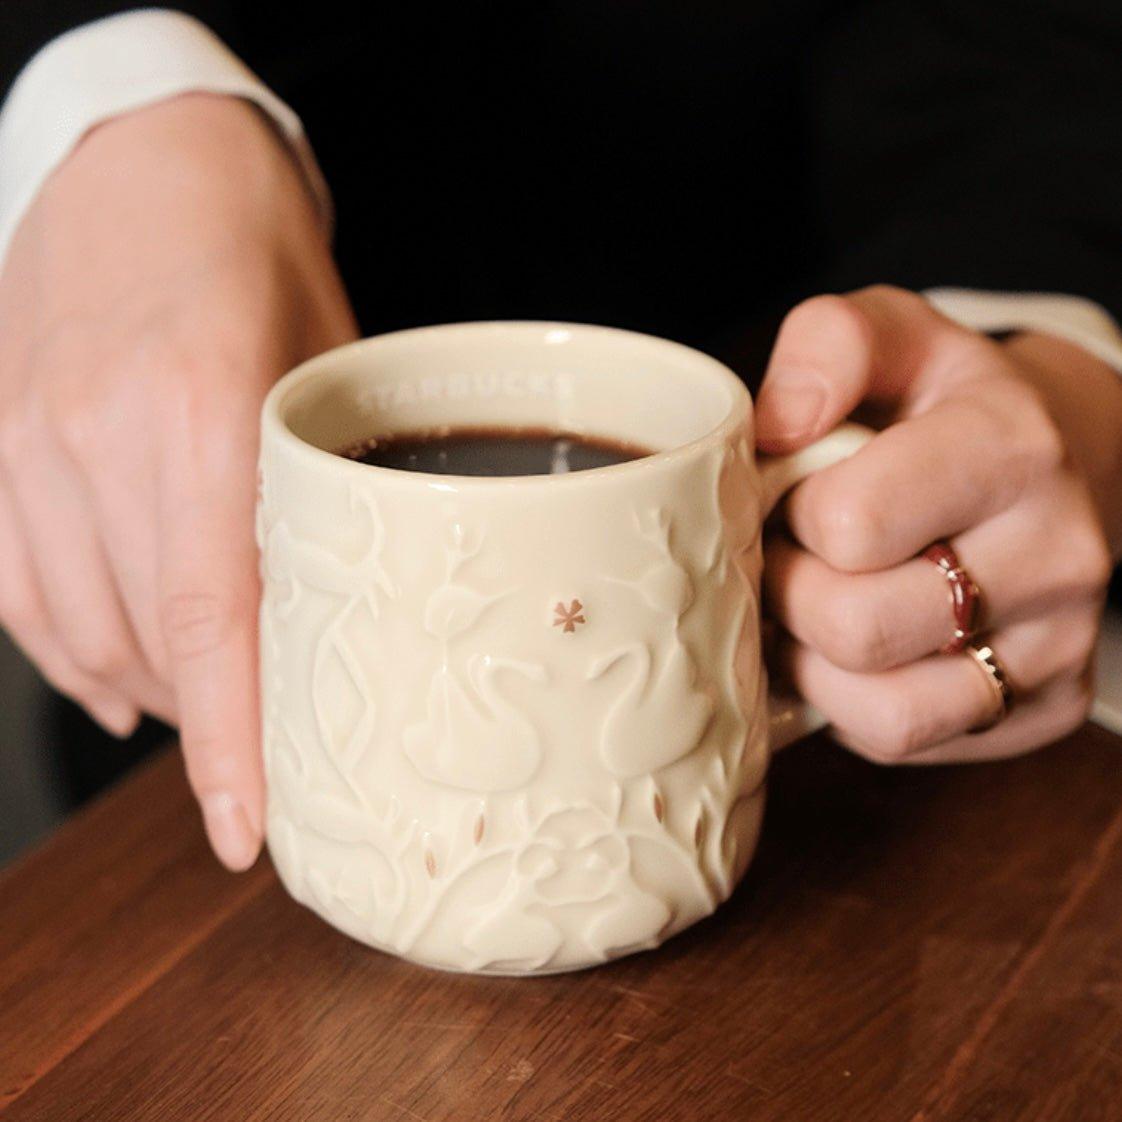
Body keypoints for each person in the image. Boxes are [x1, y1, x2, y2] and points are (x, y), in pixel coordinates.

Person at [1, 5, 1119, 872]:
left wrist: (1048, 356)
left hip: (867, 842)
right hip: (172, 778)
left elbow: (1036, 49)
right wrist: (97, 84)